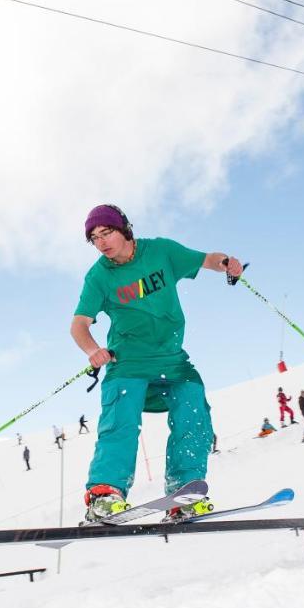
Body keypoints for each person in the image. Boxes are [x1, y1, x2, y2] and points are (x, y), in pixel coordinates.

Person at [71, 204, 242, 522]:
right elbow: (79, 324)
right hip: (128, 363)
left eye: (106, 232)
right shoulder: (98, 277)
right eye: (94, 238)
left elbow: (207, 259)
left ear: (124, 229)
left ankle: (184, 494)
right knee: (120, 423)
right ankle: (104, 496)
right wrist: (92, 350)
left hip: (173, 361)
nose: (102, 242)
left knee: (194, 414)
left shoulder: (161, 251)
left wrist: (226, 263)